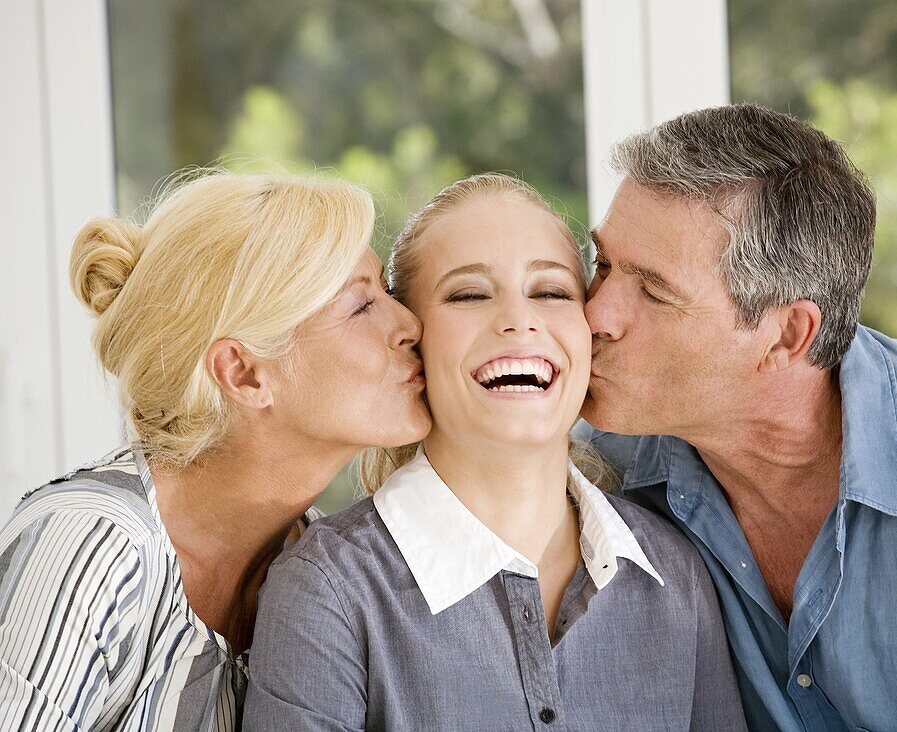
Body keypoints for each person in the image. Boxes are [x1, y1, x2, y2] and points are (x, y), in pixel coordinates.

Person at [574, 103, 897, 730]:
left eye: (654, 290)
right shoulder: (597, 470)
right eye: (602, 264)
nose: (594, 314)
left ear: (787, 335)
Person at [243, 173, 746, 731]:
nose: (518, 319)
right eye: (468, 295)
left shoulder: (675, 575)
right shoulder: (326, 591)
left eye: (552, 292)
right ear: (414, 341)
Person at [0, 171, 431, 731]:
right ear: (245, 373)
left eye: (388, 294)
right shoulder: (89, 548)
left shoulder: (323, 572)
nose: (409, 324)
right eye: (359, 306)